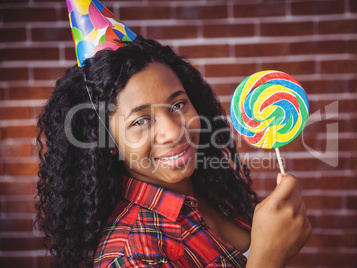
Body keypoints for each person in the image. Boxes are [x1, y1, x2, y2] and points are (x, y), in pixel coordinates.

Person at [36, 35, 311, 268]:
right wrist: (267, 259)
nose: (173, 131)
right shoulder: (131, 254)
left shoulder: (210, 193)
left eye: (178, 105)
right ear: (108, 143)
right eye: (140, 121)